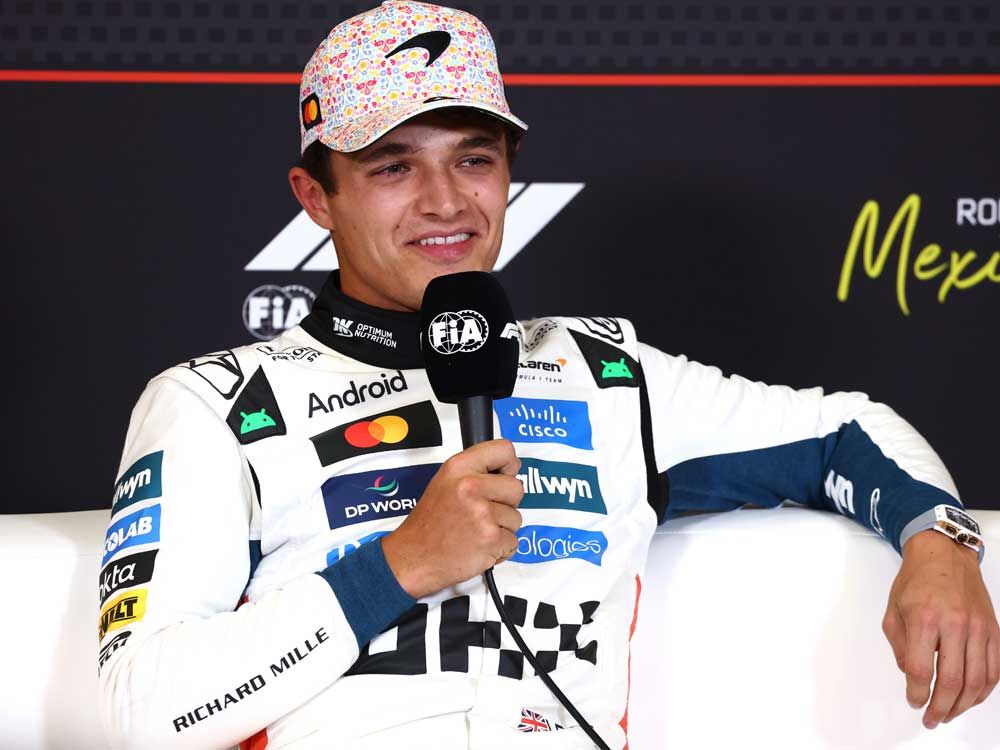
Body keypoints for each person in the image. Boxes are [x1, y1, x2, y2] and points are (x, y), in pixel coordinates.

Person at [97, 2, 999, 748]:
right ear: (315, 197)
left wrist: (941, 542)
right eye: (392, 166)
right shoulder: (213, 405)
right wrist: (401, 565)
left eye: (473, 159)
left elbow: (846, 430)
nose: (445, 201)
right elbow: (144, 714)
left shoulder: (603, 374)